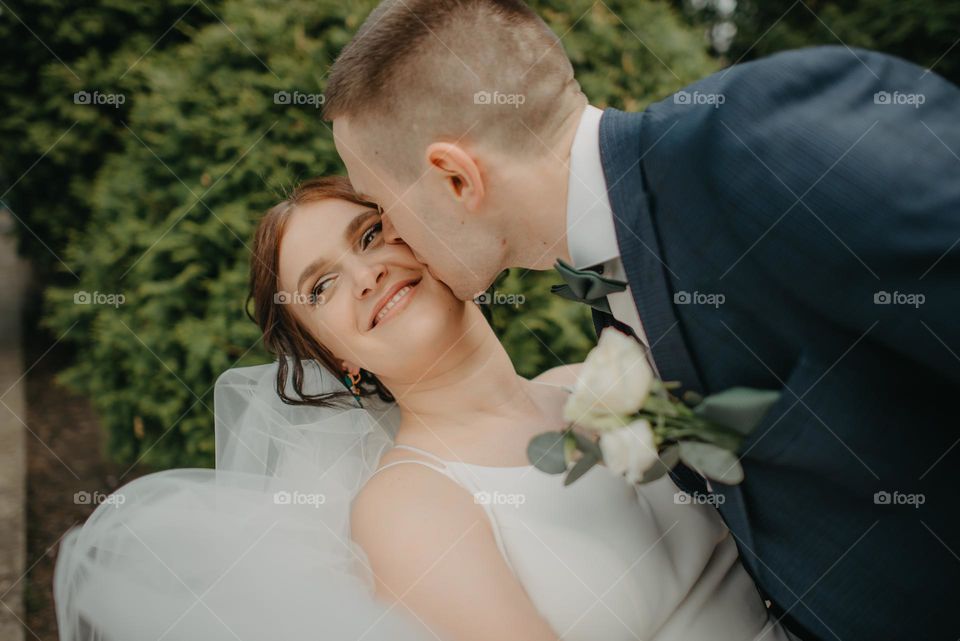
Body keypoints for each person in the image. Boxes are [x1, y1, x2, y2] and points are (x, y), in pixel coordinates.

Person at [321, 1, 960, 639]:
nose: (393, 239)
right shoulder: (620, 299)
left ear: (455, 178)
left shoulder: (761, 142)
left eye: (382, 207)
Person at [54, 177, 796, 641]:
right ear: (338, 359)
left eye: (372, 233)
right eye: (321, 287)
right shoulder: (408, 505)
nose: (367, 270)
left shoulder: (595, 377)